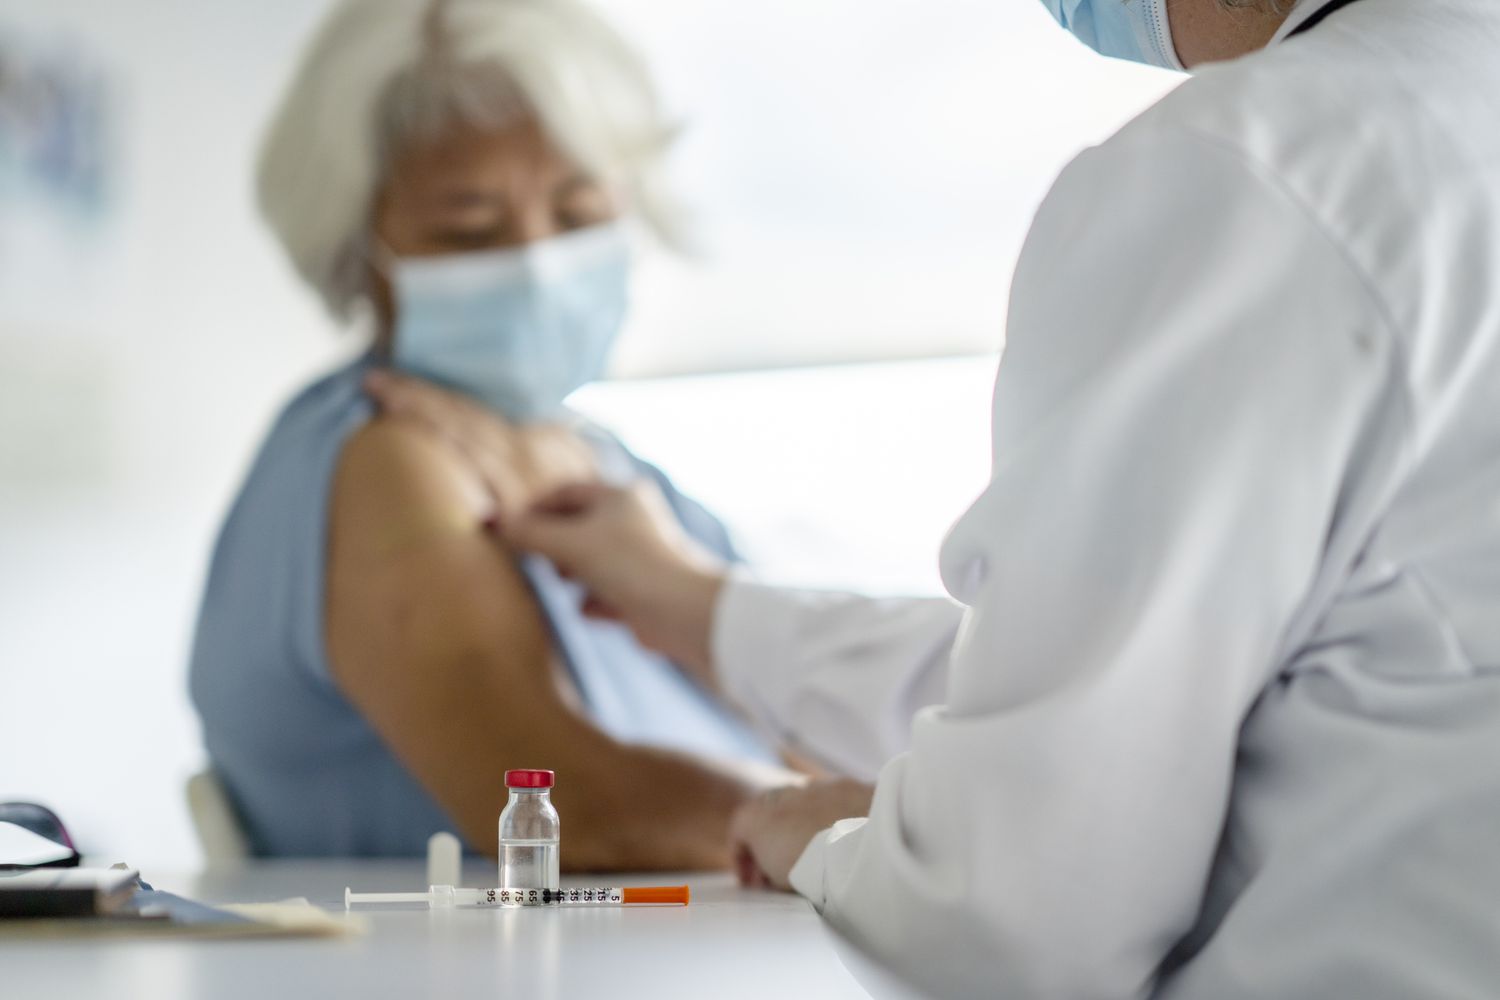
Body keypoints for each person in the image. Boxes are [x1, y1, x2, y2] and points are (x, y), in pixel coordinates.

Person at [366, 0, 1500, 994]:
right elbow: (1149, 667)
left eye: (578, 208)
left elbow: (1021, 906)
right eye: (471, 227)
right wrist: (700, 605)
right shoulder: (420, 458)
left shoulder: (1249, 167)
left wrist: (842, 838)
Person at [188, 0, 792, 867]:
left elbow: (819, 739)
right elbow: (581, 814)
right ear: (360, 250)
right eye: (468, 231)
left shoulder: (613, 468)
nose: (539, 264)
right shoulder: (386, 455)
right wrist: (867, 826)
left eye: (579, 215)